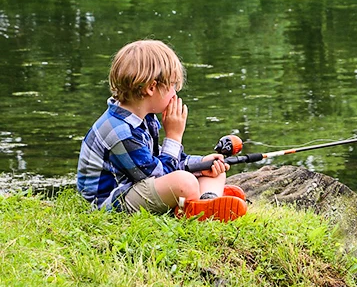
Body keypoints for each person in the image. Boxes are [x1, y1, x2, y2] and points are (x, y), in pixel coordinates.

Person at [76, 40, 247, 222]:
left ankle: (206, 201)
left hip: (139, 183)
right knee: (184, 182)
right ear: (151, 87)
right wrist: (174, 136)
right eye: (173, 85)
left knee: (214, 168)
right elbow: (159, 175)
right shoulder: (120, 131)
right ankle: (199, 202)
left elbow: (160, 162)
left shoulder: (143, 117)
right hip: (110, 203)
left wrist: (202, 164)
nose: (175, 93)